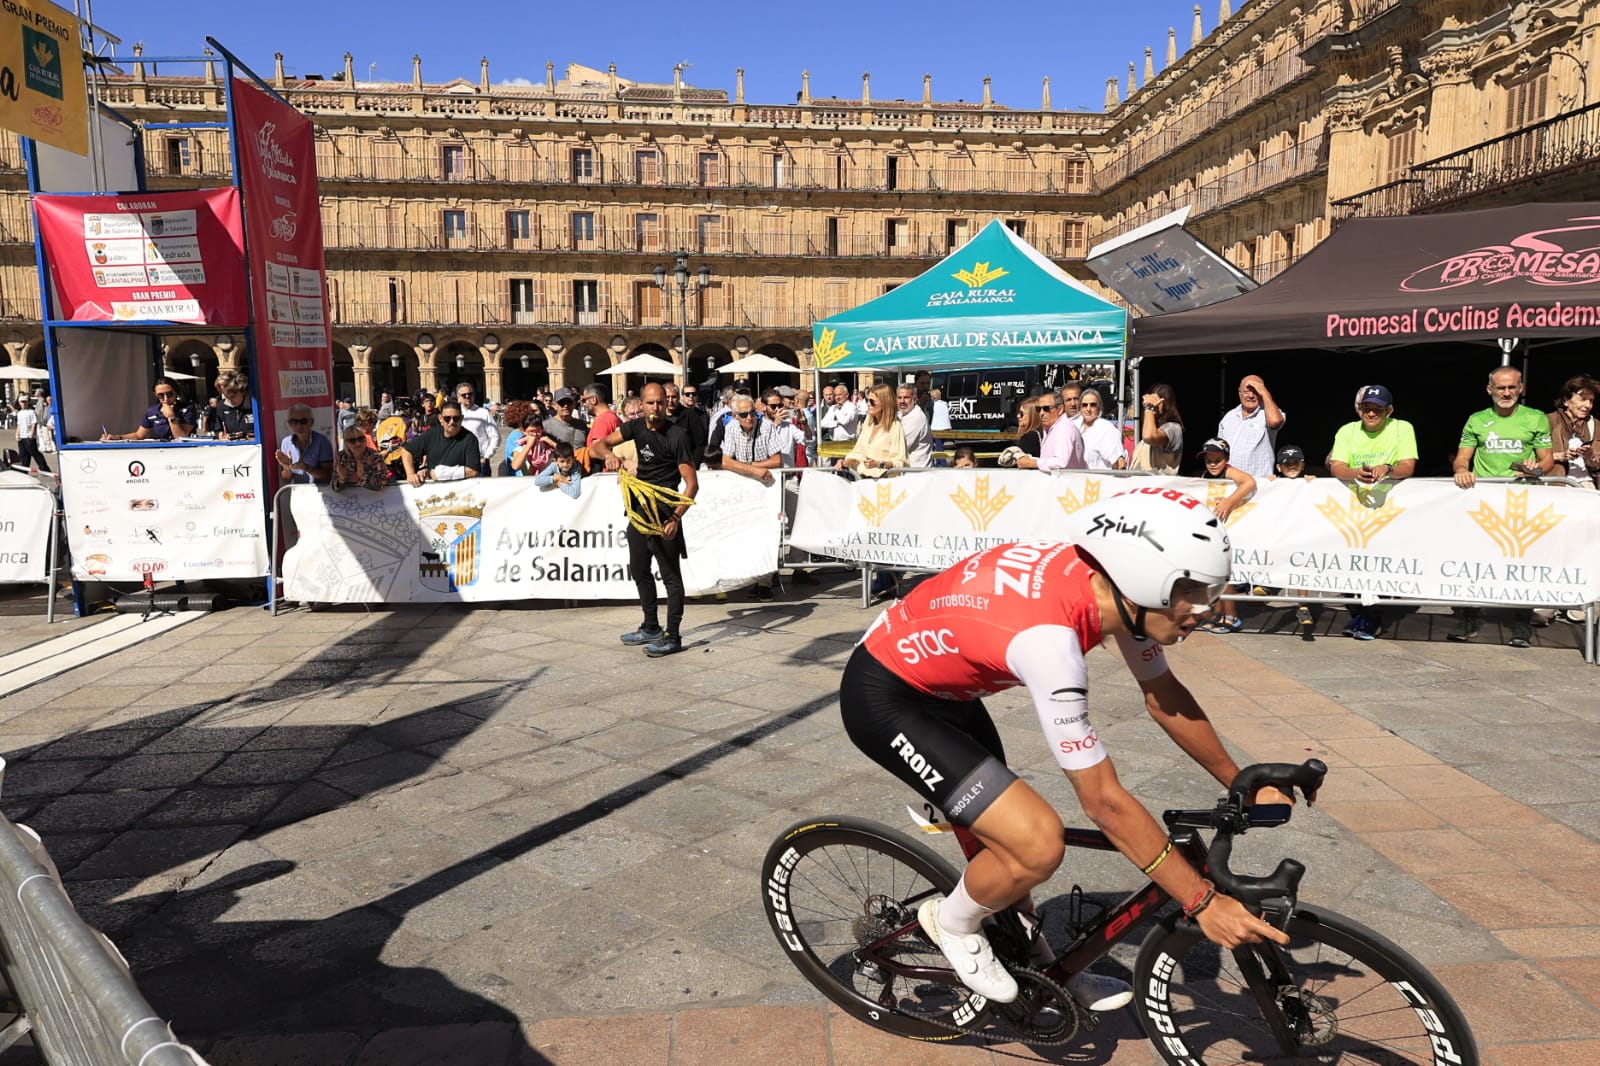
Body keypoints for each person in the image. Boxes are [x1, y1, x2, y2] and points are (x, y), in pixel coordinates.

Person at [840, 489, 1291, 1008]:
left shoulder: (1112, 589)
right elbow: (1104, 802)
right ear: (1144, 579)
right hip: (886, 697)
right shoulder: (1050, 643)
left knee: (1005, 842)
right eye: (1191, 592)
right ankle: (950, 921)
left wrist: (1240, 781)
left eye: (1209, 592)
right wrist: (1202, 901)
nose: (1204, 610)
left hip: (943, 686)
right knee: (1035, 842)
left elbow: (1164, 697)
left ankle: (1044, 972)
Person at [590, 383, 698, 658]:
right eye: (650, 403)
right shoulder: (635, 428)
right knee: (639, 569)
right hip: (638, 513)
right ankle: (651, 627)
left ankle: (673, 636)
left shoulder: (677, 436)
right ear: (643, 404)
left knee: (671, 577)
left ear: (666, 404)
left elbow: (691, 485)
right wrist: (610, 456)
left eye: (660, 403)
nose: (655, 408)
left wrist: (675, 518)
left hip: (664, 515)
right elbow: (599, 445)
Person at [1450, 366, 1553, 647]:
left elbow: (1548, 461)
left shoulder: (1536, 418)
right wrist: (1461, 470)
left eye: (1512, 387)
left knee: (1520, 561)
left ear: (1521, 388)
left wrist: (1537, 468)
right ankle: (1469, 618)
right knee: (1474, 560)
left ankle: (1521, 624)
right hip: (1483, 500)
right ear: (1489, 390)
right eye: (1500, 388)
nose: (1506, 393)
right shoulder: (1476, 419)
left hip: (1522, 500)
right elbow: (1462, 458)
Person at [1195, 438, 1256, 635]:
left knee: (1226, 576)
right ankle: (1217, 613)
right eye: (1209, 460)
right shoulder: (1204, 476)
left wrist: (1230, 502)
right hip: (1212, 531)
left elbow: (1249, 482)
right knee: (1214, 576)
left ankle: (1232, 616)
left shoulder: (1230, 472)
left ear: (1226, 459)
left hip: (1230, 530)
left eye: (1217, 460)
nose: (1212, 464)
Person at [1217, 374, 1285, 481]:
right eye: (1246, 391)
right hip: (1229, 483)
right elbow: (1219, 449)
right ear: (1239, 393)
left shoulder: (1267, 414)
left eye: (1255, 391)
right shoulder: (1229, 417)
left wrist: (1264, 392)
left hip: (1258, 484)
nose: (1251, 395)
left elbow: (1275, 421)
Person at [399, 400, 481, 486]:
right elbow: (406, 450)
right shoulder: (431, 434)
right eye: (447, 418)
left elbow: (473, 471)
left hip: (460, 489)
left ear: (461, 419)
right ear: (440, 419)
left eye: (456, 418)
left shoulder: (470, 439)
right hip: (435, 490)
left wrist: (440, 474)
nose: (452, 422)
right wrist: (410, 474)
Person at [836, 383, 907, 477]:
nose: (868, 404)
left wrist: (879, 464)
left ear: (885, 402)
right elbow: (858, 452)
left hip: (884, 483)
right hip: (862, 480)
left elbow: (900, 461)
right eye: (867, 400)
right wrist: (845, 462)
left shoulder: (895, 427)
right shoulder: (868, 423)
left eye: (872, 401)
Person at [102, 378, 198, 442]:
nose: (165, 399)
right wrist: (117, 437)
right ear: (155, 395)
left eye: (169, 394)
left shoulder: (188, 408)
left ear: (176, 393)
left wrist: (171, 417)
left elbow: (181, 437)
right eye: (160, 395)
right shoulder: (152, 411)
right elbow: (139, 435)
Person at [1548, 374, 1599, 488]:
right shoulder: (1548, 421)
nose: (1588, 405)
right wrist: (1560, 456)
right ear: (1566, 401)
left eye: (1591, 401)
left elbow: (1597, 464)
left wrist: (1590, 456)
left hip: (1587, 487)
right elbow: (1531, 457)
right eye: (1583, 399)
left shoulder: (1595, 425)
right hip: (1556, 486)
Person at [1015, 390, 1085, 471]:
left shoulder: (1063, 429)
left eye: (1046, 409)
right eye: (1038, 409)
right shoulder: (1053, 428)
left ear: (1060, 409)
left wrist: (1032, 463)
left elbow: (1061, 462)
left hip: (1067, 481)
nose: (1041, 413)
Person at [275, 403, 334, 486]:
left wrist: (307, 468)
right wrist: (286, 467)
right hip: (299, 494)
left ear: (312, 422)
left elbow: (328, 475)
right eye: (294, 422)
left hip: (321, 494)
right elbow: (286, 479)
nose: (299, 426)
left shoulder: (322, 441)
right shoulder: (286, 442)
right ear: (289, 423)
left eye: (303, 421)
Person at [1131, 384, 1183, 473]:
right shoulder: (1147, 435)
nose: (1145, 406)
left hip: (1158, 485)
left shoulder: (1173, 428)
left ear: (1161, 404)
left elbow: (1149, 436)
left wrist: (1150, 407)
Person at [455, 383, 499, 477]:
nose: (467, 396)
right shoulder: (454, 414)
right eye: (464, 395)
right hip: (459, 462)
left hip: (480, 462)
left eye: (470, 394)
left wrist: (486, 456)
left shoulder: (483, 413)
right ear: (458, 397)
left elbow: (495, 436)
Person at [1076, 388, 1125, 470]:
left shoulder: (1106, 428)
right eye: (1084, 405)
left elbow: (1120, 463)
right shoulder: (1076, 427)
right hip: (1077, 480)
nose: (1088, 409)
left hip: (1101, 481)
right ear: (1080, 408)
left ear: (1099, 409)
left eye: (1093, 405)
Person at [331, 425, 388, 492]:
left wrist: (360, 478)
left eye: (361, 439)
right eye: (352, 440)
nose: (358, 443)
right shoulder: (341, 457)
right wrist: (341, 479)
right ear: (346, 443)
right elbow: (334, 487)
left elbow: (381, 484)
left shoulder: (375, 456)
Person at [896, 383, 934, 468]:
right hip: (908, 473)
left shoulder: (916, 417)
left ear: (915, 399)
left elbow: (900, 446)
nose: (902, 401)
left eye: (906, 398)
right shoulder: (902, 413)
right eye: (899, 397)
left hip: (917, 474)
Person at [506, 412, 555, 476]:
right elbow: (515, 466)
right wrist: (529, 445)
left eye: (538, 431)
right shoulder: (520, 448)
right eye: (531, 431)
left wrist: (552, 443)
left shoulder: (547, 446)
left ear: (542, 430)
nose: (535, 434)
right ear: (524, 431)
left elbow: (565, 453)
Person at [213, 370, 255, 440]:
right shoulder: (222, 406)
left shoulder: (253, 405)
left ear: (242, 391)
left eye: (233, 396)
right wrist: (220, 435)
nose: (230, 400)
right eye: (226, 396)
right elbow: (218, 429)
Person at [583, 382, 622, 458]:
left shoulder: (602, 421)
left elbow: (597, 450)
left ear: (593, 399)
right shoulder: (613, 417)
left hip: (603, 468)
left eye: (584, 400)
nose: (584, 404)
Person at [12, 396, 49, 475]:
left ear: (28, 402)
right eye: (22, 402)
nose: (23, 403)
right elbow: (19, 425)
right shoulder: (19, 413)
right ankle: (24, 471)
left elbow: (34, 423)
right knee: (23, 455)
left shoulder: (31, 412)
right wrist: (17, 434)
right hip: (22, 436)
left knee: (35, 453)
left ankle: (45, 469)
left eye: (25, 402)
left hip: (29, 436)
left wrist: (32, 433)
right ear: (19, 403)